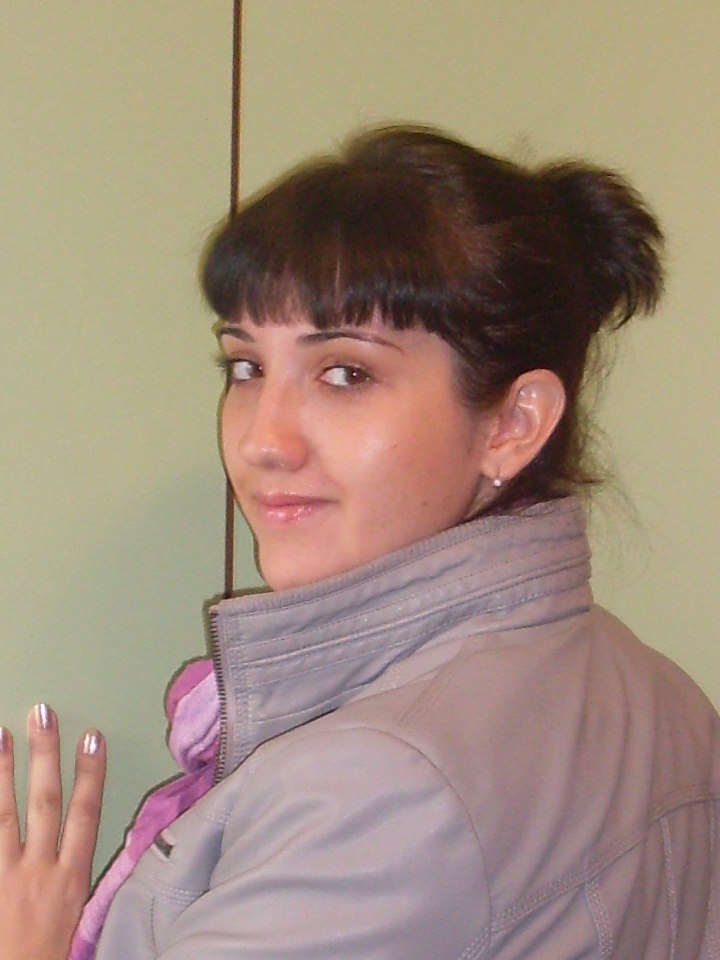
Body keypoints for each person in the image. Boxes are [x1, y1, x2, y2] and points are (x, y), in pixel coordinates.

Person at [1, 126, 718, 959]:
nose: (262, 441)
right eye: (245, 367)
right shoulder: (663, 699)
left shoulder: (376, 785)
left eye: (346, 373)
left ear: (512, 425)